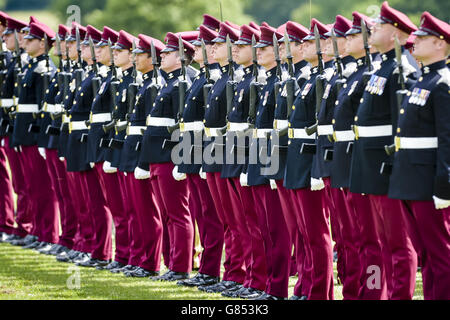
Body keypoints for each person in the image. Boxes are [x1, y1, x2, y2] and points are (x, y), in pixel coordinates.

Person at [349, 1, 420, 299]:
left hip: (386, 165)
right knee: (375, 241)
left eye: (380, 25)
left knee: (397, 244)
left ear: (395, 34)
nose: (373, 28)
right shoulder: (381, 68)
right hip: (370, 161)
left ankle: (398, 295)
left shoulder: (402, 69)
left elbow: (401, 124)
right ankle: (376, 293)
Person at [387, 11, 450, 300]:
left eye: (423, 38)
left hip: (429, 180)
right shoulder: (424, 80)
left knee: (440, 253)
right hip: (412, 177)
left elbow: (447, 138)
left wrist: (444, 184)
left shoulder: (443, 83)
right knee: (425, 253)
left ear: (441, 44)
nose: (415, 43)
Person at [137, 31, 195, 281]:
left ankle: (180, 266)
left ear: (182, 57)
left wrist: (182, 160)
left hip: (170, 156)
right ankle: (172, 263)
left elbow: (183, 127)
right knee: (167, 214)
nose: (162, 55)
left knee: (177, 214)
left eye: (168, 52)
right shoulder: (169, 83)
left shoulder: (181, 85)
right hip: (158, 156)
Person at [284, 19, 335, 300]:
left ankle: (320, 292)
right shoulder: (311, 79)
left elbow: (320, 130)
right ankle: (305, 287)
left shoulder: (323, 79)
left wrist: (318, 167)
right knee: (305, 234)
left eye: (308, 42)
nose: (301, 47)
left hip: (310, 160)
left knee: (316, 234)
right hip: (298, 159)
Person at [175, 24, 224, 288]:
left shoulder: (215, 78)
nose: (200, 51)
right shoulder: (202, 78)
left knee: (211, 215)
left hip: (209, 149)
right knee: (201, 212)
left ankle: (211, 270)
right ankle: (206, 269)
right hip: (194, 149)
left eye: (205, 45)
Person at [246, 24, 291, 300]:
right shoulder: (268, 81)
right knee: (264, 226)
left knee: (277, 228)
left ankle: (277, 287)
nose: (258, 53)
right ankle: (269, 286)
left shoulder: (281, 82)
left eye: (263, 48)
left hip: (275, 155)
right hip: (262, 153)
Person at [116, 34, 165, 277]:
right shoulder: (145, 83)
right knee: (134, 211)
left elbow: (150, 129)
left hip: (142, 151)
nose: (134, 58)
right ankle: (138, 258)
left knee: (147, 212)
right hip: (132, 149)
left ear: (151, 58)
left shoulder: (154, 85)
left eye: (139, 54)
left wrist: (143, 161)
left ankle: (150, 262)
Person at [11, 22, 60, 251]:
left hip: (34, 135)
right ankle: (40, 232)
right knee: (32, 187)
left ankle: (48, 234)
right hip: (25, 134)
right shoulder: (32, 66)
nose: (25, 43)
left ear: (43, 43)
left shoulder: (44, 69)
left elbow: (43, 109)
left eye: (30, 40)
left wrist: (39, 136)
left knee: (43, 188)